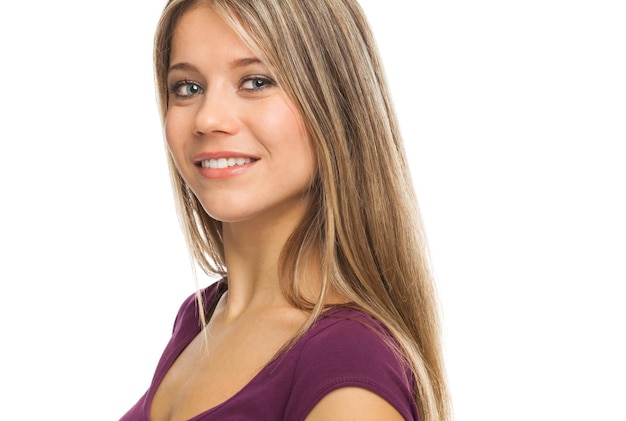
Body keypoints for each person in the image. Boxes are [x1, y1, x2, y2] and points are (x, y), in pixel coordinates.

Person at [121, 0, 450, 419]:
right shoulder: (200, 318)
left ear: (336, 103)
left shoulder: (348, 365)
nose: (208, 118)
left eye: (256, 82)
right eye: (188, 87)